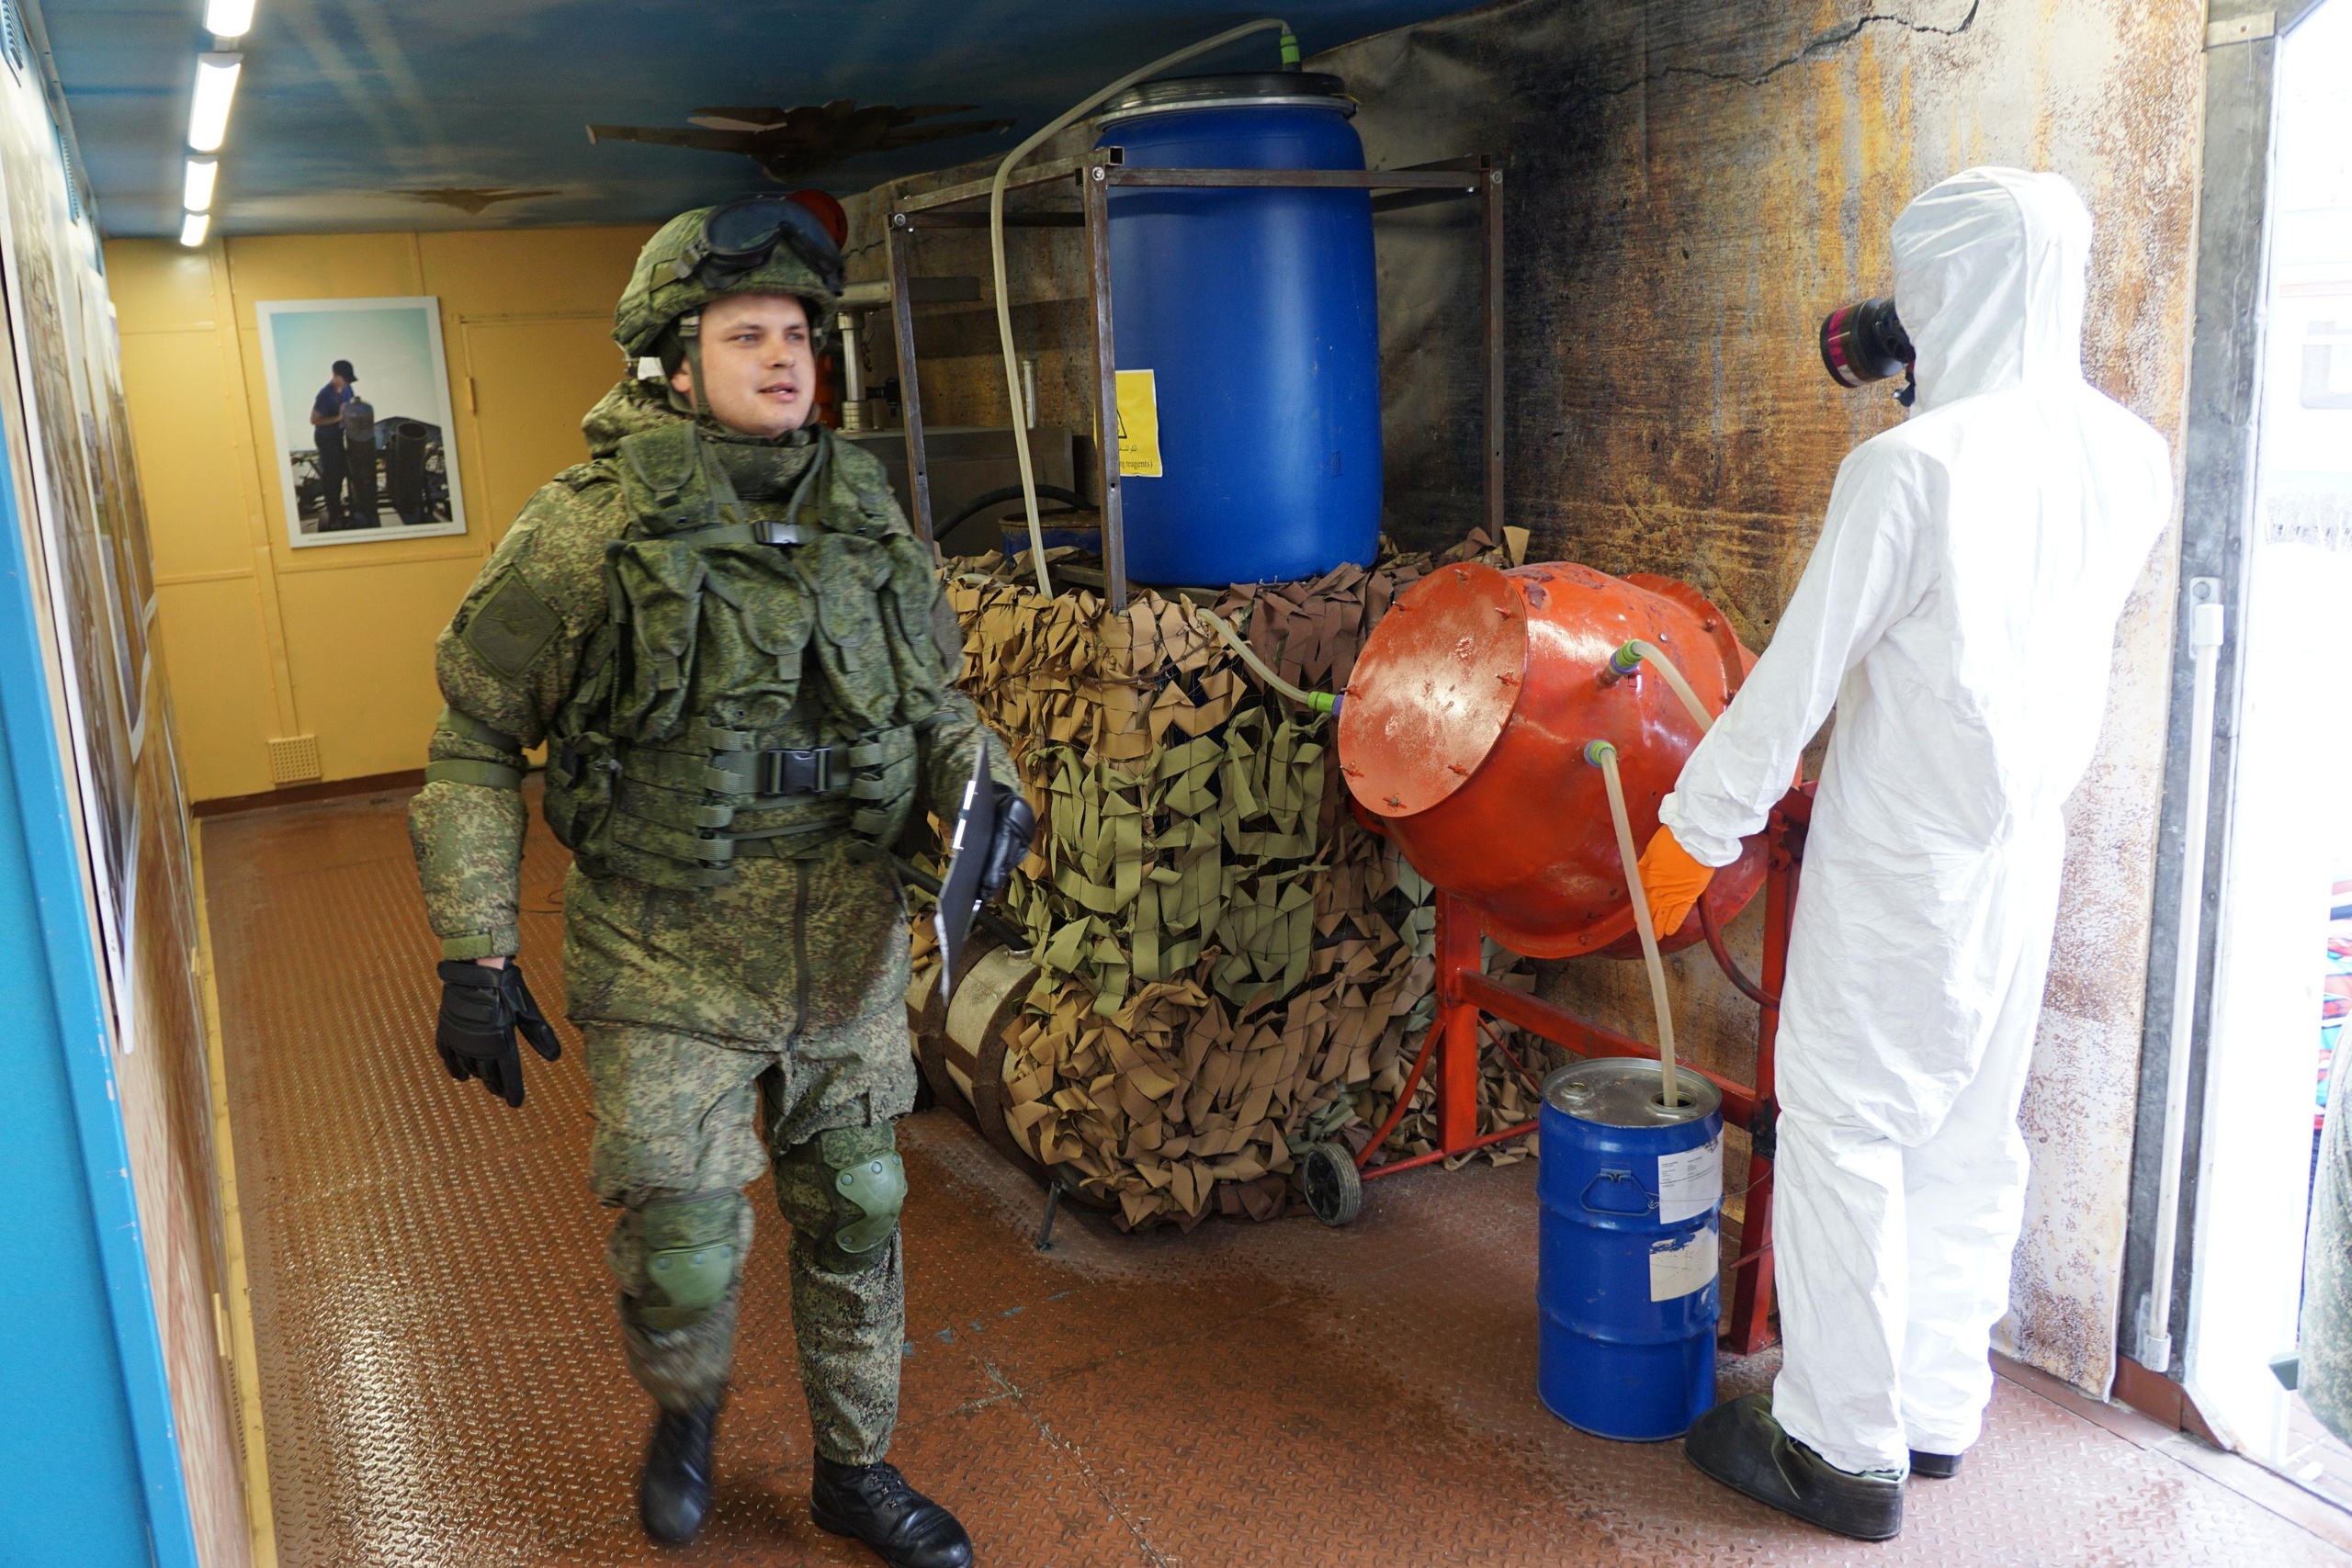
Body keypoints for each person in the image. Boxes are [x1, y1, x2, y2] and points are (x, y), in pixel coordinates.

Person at [406, 196, 1032, 1565]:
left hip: (846, 950)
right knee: (688, 1244)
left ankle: (854, 1472)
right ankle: (685, 1411)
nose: (783, 356)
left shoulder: (872, 524)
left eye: (797, 332)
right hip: (666, 950)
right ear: (669, 363)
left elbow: (939, 707)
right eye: (745, 332)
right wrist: (477, 946)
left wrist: (982, 791)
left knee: (857, 1208)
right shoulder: (583, 532)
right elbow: (472, 736)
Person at [1634, 167, 2172, 1540]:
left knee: (1845, 1131)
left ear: (1945, 291)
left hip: (1903, 860)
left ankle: (1838, 1445)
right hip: (2020, 858)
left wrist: (1690, 835)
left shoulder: (1908, 468)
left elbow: (1793, 684)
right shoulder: (2130, 454)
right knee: (1966, 1134)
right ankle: (1934, 1408)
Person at [308, 358, 356, 529]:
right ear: (335, 376)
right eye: (345, 378)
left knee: (343, 469)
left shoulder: (347, 388)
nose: (348, 382)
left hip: (337, 436)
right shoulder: (324, 395)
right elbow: (314, 420)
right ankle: (334, 515)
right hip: (325, 438)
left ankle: (341, 504)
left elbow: (350, 405)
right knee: (331, 477)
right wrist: (338, 418)